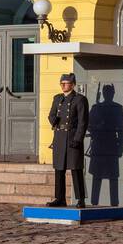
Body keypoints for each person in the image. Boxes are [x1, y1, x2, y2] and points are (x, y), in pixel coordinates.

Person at [46, 72, 89, 208]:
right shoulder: (57, 98)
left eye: (66, 83)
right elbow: (51, 114)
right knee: (59, 169)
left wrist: (78, 139)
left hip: (72, 137)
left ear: (73, 84)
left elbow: (83, 122)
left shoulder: (79, 99)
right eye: (62, 83)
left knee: (76, 169)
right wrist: (54, 120)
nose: (63, 86)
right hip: (59, 137)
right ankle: (60, 198)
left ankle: (80, 198)